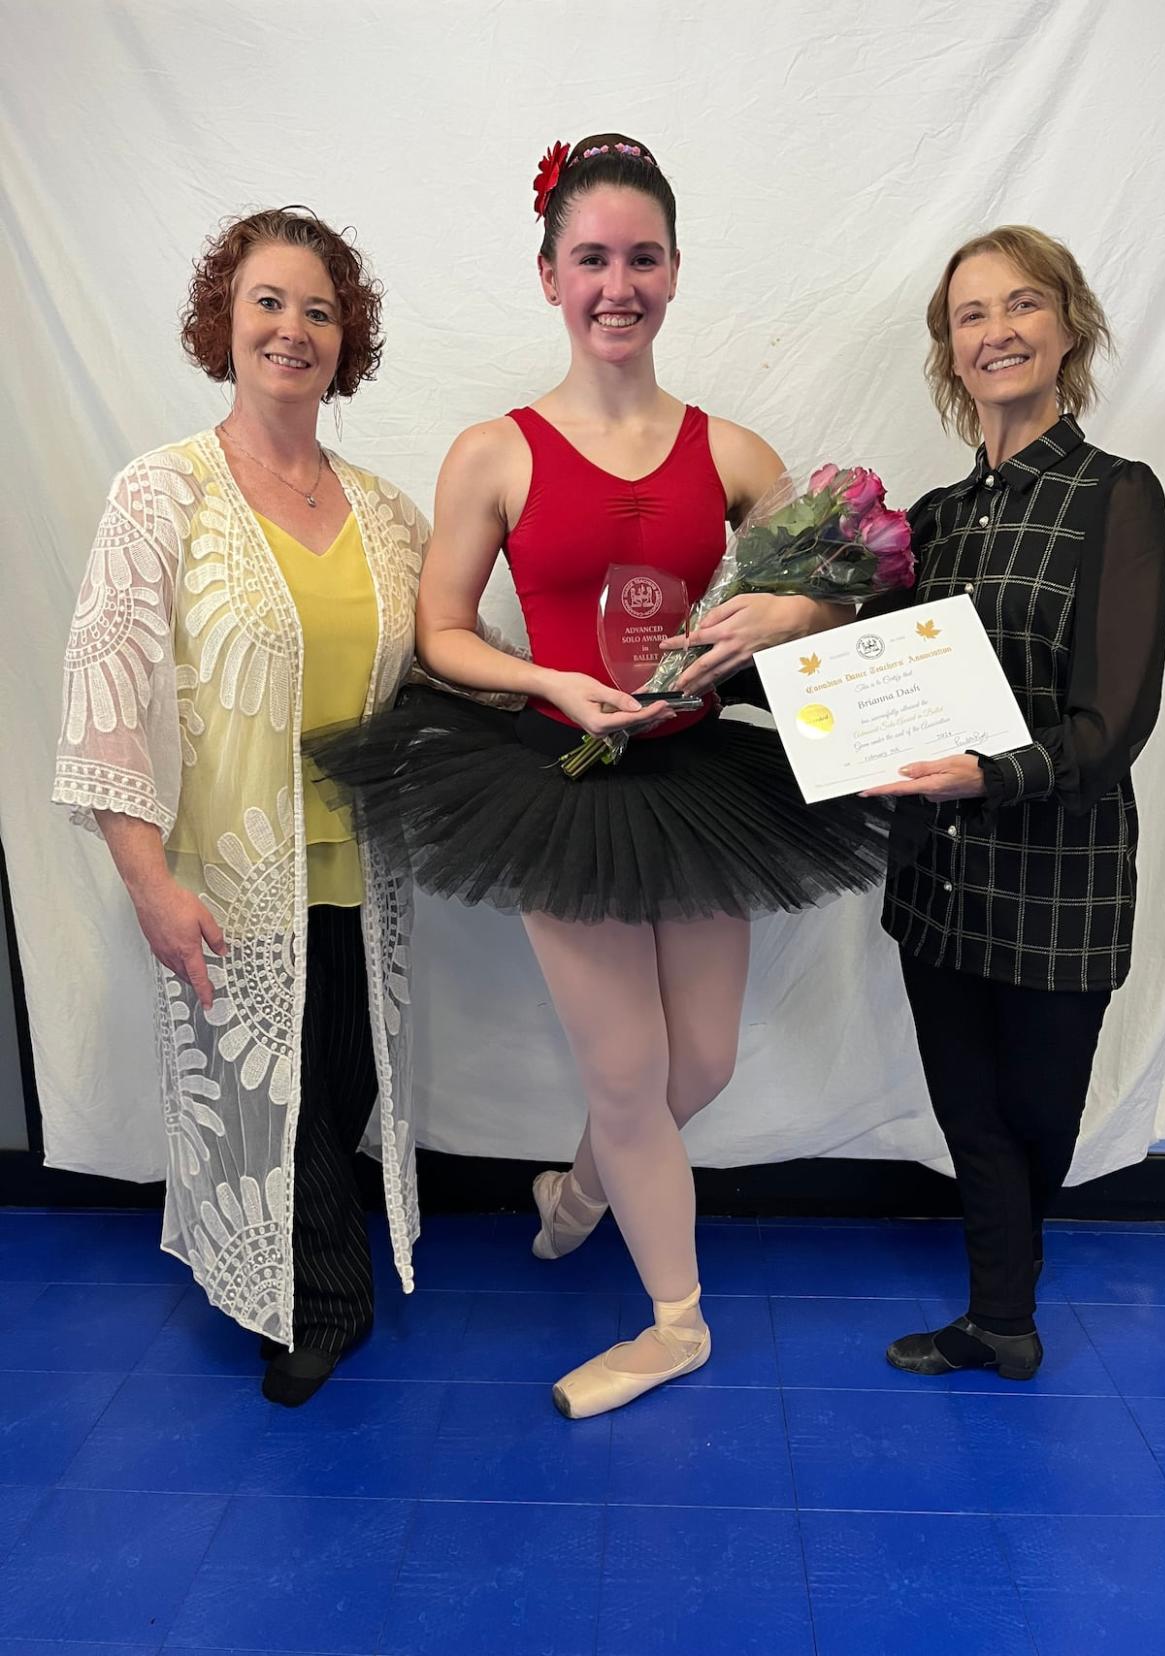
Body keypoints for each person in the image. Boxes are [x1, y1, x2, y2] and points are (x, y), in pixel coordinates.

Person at [309, 134, 889, 1418]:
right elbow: (444, 630)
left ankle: (576, 1191)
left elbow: (820, 590)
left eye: (640, 257)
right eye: (590, 259)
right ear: (549, 276)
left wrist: (779, 619)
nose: (615, 283)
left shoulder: (733, 454)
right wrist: (545, 680)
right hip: (557, 781)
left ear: (675, 272)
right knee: (628, 1074)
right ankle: (676, 1321)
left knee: (706, 1064)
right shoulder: (494, 452)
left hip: (698, 783)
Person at [52, 207, 512, 1406]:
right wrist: (147, 883)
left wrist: (561, 689)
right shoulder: (163, 495)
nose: (292, 328)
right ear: (225, 318)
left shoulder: (387, 511)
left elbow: (443, 655)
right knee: (278, 1089)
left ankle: (310, 1271)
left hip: (363, 868)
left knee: (345, 1077)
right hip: (224, 870)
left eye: (318, 308)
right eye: (268, 301)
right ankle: (316, 1302)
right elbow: (104, 701)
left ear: (344, 339)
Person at [861, 225, 1165, 1380]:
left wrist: (991, 774)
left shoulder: (1116, 499)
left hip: (1061, 878)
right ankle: (1004, 1319)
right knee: (970, 1114)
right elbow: (871, 686)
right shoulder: (931, 520)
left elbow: (1115, 719)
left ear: (1067, 326)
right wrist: (745, 654)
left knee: (1038, 1115)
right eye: (971, 316)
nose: (996, 332)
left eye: (1021, 305)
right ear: (949, 350)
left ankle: (1007, 1300)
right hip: (940, 876)